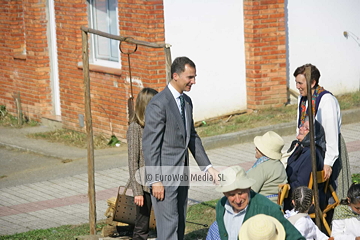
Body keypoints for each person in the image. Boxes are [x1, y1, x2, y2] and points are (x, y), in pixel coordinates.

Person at [142, 56, 218, 240]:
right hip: (164, 179)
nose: (193, 81)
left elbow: (191, 137)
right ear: (175, 76)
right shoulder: (159, 103)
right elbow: (150, 146)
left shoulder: (187, 102)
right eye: (190, 77)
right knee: (168, 228)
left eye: (194, 77)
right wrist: (155, 180)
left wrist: (208, 167)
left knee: (180, 224)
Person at [293, 63, 351, 199]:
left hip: (329, 149)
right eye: (296, 82)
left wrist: (328, 163)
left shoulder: (326, 101)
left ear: (312, 82)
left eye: (300, 83)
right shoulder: (302, 98)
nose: (297, 87)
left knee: (332, 190)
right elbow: (300, 124)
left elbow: (331, 134)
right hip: (311, 149)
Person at [206, 165, 305, 240]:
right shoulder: (221, 205)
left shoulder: (267, 208)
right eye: (231, 195)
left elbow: (295, 237)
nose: (237, 200)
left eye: (241, 193)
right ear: (225, 193)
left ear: (249, 188)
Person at [127, 87, 158, 240]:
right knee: (141, 227)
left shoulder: (156, 126)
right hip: (144, 186)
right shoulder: (135, 128)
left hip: (159, 182)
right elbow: (133, 162)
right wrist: (137, 192)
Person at [284, 118, 327, 211]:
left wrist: (283, 189)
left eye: (306, 128)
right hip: (293, 195)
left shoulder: (311, 154)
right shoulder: (302, 147)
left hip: (303, 201)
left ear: (314, 135)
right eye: (302, 126)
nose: (301, 129)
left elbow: (302, 184)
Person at [246, 131, 287, 203]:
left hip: (262, 207)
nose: (255, 149)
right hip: (275, 206)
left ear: (264, 151)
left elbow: (248, 191)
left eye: (258, 148)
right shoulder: (278, 165)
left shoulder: (263, 167)